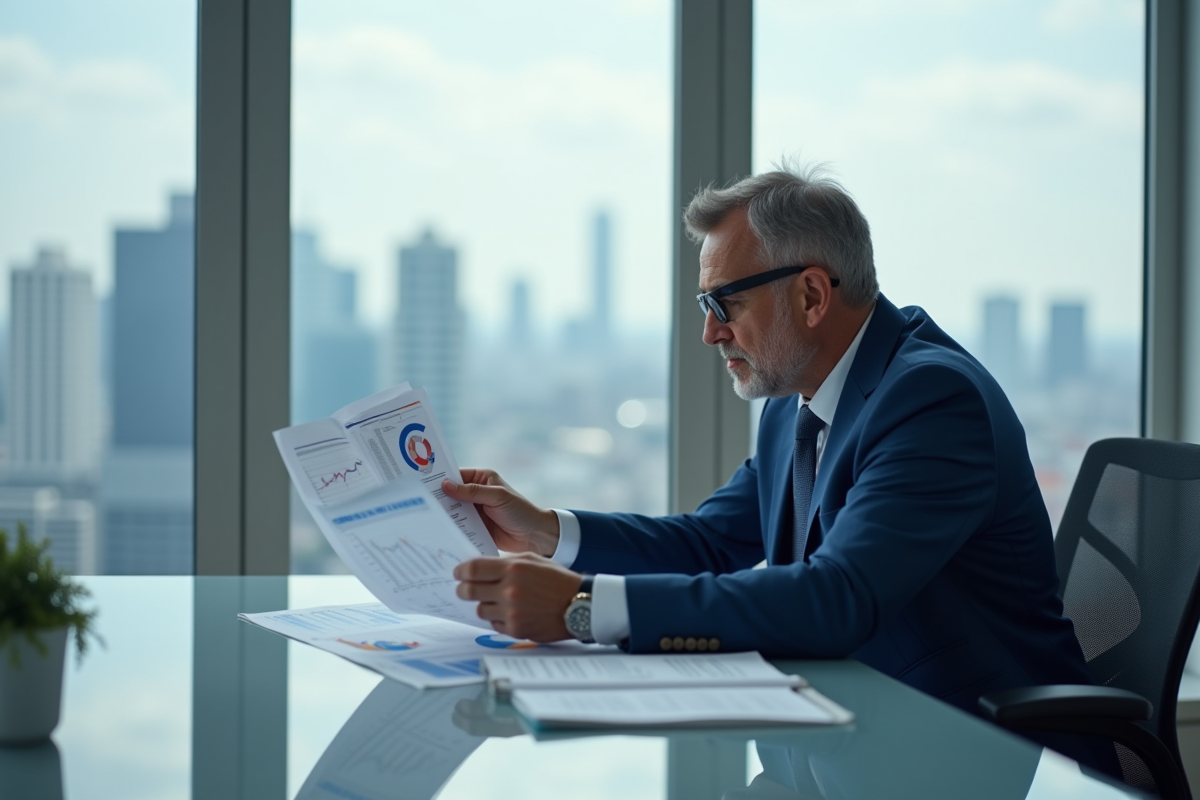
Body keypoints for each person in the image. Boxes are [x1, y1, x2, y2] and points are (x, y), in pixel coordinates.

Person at [445, 165, 1095, 718]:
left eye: (723, 304)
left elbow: (838, 598)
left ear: (811, 295)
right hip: (851, 725)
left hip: (977, 750)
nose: (711, 334)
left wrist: (583, 608)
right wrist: (545, 532)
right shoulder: (796, 404)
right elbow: (711, 541)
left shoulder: (931, 402)